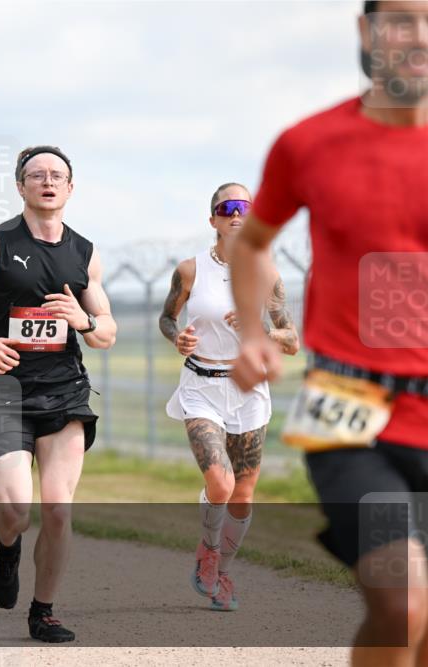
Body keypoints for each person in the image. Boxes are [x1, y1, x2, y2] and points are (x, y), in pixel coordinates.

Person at [230, 2, 428, 663]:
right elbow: (252, 242)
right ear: (367, 32)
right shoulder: (309, 143)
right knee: (402, 602)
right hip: (350, 410)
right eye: (402, 19)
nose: (420, 36)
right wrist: (253, 332)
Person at [0, 145, 117, 643]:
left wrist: (84, 320)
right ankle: (8, 546)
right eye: (37, 175)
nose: (48, 181)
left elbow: (106, 332)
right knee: (16, 509)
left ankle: (44, 611)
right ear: (20, 186)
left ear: (71, 187)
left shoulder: (84, 252)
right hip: (6, 393)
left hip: (65, 393)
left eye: (57, 175)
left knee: (58, 509)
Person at [160, 183, 299, 611]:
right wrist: (178, 338)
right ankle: (208, 549)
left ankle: (221, 572)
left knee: (243, 493)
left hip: (248, 388)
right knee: (220, 483)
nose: (236, 214)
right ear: (213, 219)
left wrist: (261, 329)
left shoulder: (266, 273)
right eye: (227, 208)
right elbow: (167, 318)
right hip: (201, 385)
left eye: (244, 207)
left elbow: (291, 340)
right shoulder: (190, 270)